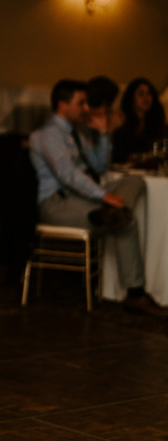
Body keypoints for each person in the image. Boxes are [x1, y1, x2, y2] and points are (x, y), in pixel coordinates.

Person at [29, 79, 166, 315]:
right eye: (81, 103)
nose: (86, 108)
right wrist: (104, 195)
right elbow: (68, 175)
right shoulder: (47, 135)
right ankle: (135, 295)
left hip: (85, 199)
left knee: (135, 181)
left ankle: (110, 214)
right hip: (58, 204)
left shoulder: (76, 133)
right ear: (63, 104)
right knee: (125, 222)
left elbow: (100, 167)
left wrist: (103, 134)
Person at [112, 77, 167, 164]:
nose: (146, 98)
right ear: (131, 97)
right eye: (141, 94)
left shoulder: (158, 123)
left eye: (149, 93)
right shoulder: (121, 121)